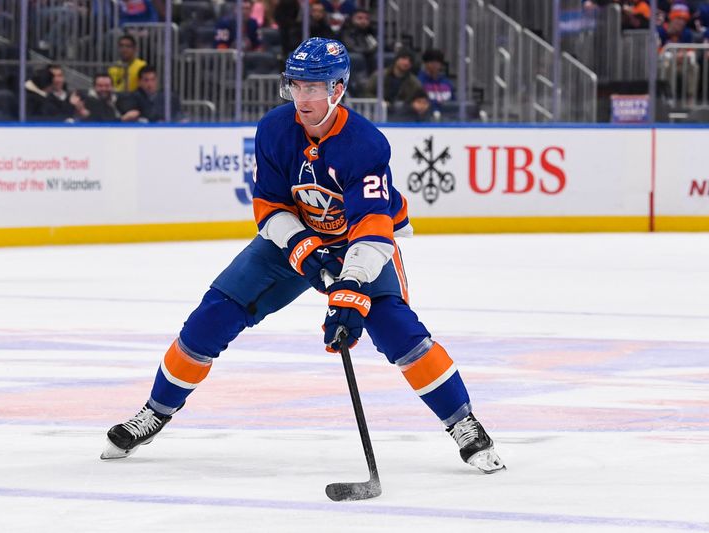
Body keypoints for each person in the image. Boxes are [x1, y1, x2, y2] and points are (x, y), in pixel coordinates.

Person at [100, 37, 505, 476]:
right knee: (211, 317)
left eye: (315, 87)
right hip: (292, 243)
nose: (303, 97)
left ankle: (463, 423)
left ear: (339, 89)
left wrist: (349, 288)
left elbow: (373, 226)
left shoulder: (365, 144)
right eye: (296, 85)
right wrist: (304, 251)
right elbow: (268, 207)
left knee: (398, 332)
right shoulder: (275, 129)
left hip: (360, 243)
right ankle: (156, 411)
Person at [417, 48, 455, 113]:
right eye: (431, 61)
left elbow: (454, 103)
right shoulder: (418, 82)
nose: (435, 64)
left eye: (438, 62)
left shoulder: (447, 83)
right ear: (425, 63)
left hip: (446, 118)